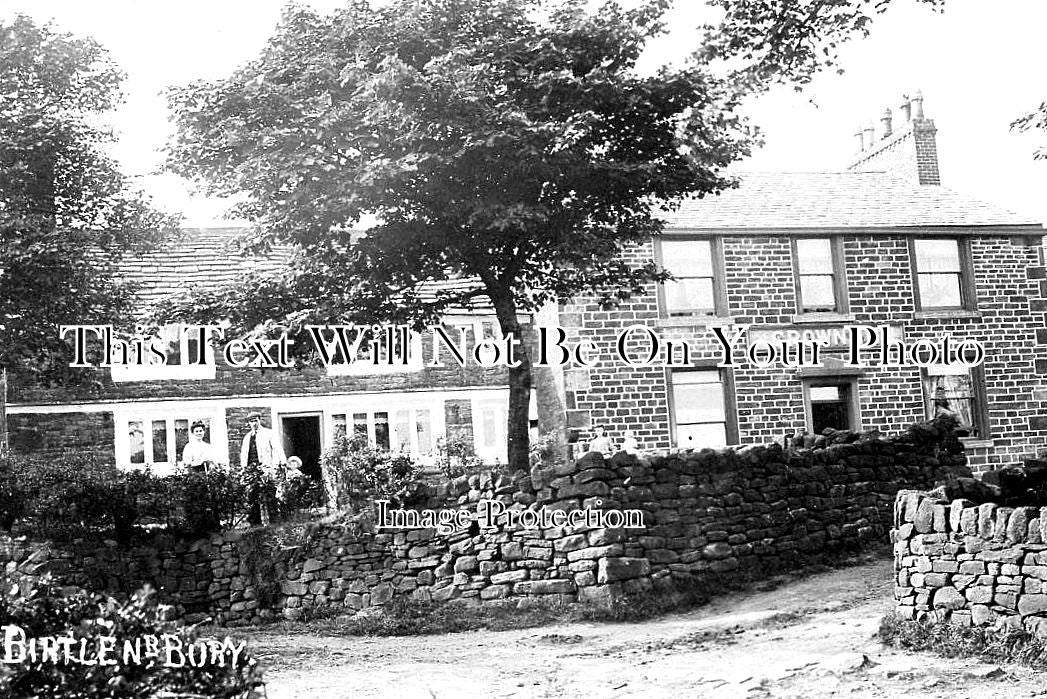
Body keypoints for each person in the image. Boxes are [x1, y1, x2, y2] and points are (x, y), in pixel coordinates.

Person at [239, 413, 286, 525]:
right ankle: (255, 523)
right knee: (253, 496)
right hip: (252, 471)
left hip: (266, 468)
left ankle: (274, 522)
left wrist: (277, 465)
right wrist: (244, 470)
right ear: (248, 423)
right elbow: (244, 455)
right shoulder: (247, 438)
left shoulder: (268, 434)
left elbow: (277, 449)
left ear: (259, 420)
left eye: (255, 420)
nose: (254, 423)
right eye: (251, 421)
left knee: (269, 494)